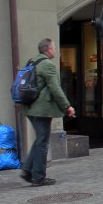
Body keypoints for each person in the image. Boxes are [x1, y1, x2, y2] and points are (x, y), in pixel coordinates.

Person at [20, 38, 75, 187]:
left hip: (29, 108)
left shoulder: (32, 62)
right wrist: (67, 106)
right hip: (41, 110)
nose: (55, 51)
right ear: (48, 50)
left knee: (40, 139)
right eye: (54, 48)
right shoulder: (48, 65)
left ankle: (27, 171)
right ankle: (38, 177)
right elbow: (55, 89)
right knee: (43, 142)